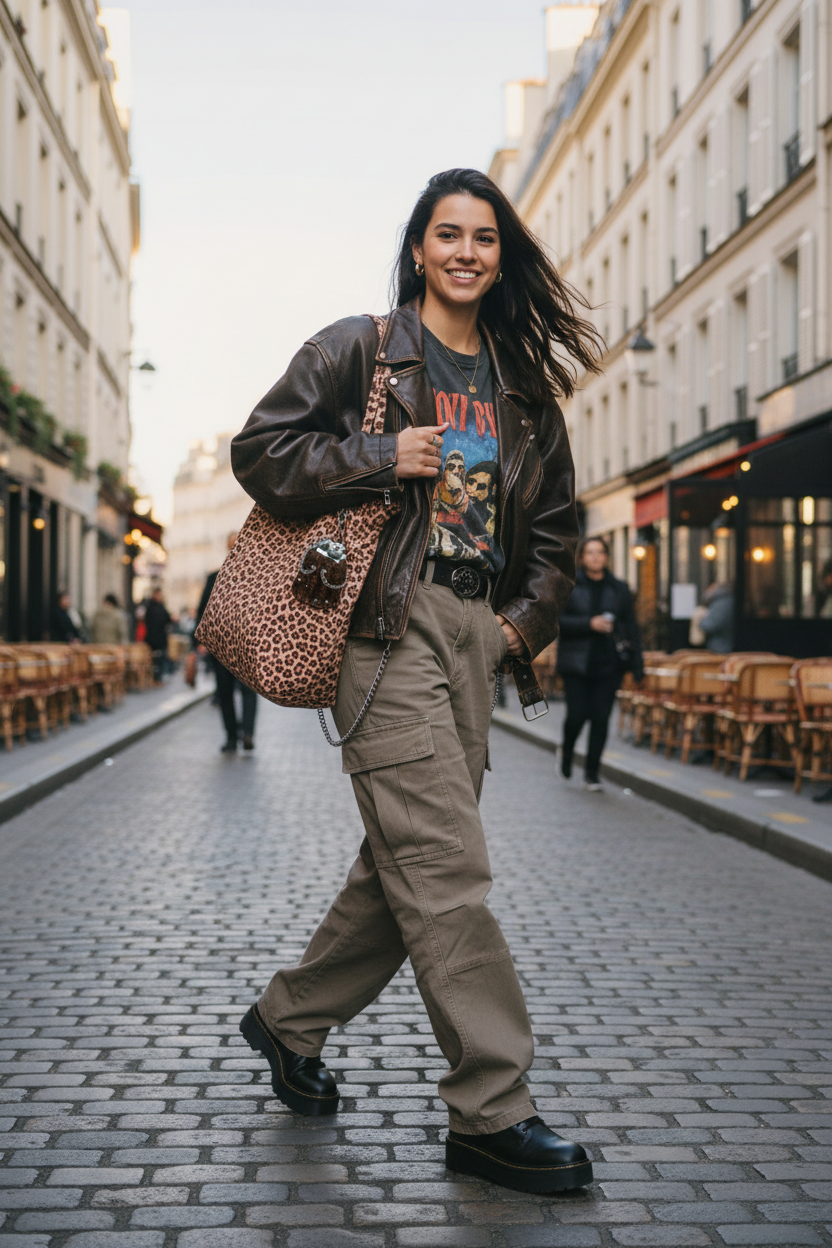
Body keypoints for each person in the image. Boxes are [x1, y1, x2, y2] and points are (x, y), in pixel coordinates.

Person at [230, 169, 603, 1193]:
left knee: (403, 862)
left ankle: (289, 1018)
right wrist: (379, 453)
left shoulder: (522, 388)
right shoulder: (360, 348)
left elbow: (557, 532)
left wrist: (514, 628)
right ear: (418, 249)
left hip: (475, 632)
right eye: (448, 234)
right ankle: (491, 1107)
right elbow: (261, 450)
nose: (466, 252)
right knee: (443, 862)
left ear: (501, 256)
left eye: (485, 237)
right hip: (384, 627)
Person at [556, 536, 643, 792]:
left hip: (608, 663)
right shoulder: (569, 584)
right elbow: (557, 622)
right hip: (576, 664)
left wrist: (638, 666)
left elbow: (632, 627)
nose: (595, 557)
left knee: (601, 719)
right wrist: (589, 624)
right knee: (576, 716)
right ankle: (567, 751)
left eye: (600, 552)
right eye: (590, 552)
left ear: (606, 557)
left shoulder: (619, 588)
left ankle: (592, 774)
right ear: (582, 557)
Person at [196, 533, 258, 752]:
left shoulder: (251, 576)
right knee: (233, 692)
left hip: (238, 645)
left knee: (238, 691)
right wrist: (201, 639)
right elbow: (203, 610)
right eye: (234, 545)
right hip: (229, 645)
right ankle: (239, 734)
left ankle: (240, 735)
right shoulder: (220, 577)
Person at [143, 586, 171, 685]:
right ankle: (155, 679)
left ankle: (158, 678)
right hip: (155, 638)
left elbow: (167, 618)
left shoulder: (159, 606)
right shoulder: (152, 607)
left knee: (160, 659)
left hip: (159, 638)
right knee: (156, 659)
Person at [698, 581, 735, 650]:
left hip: (720, 647)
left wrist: (701, 620)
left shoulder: (720, 604)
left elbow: (709, 625)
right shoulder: (729, 600)